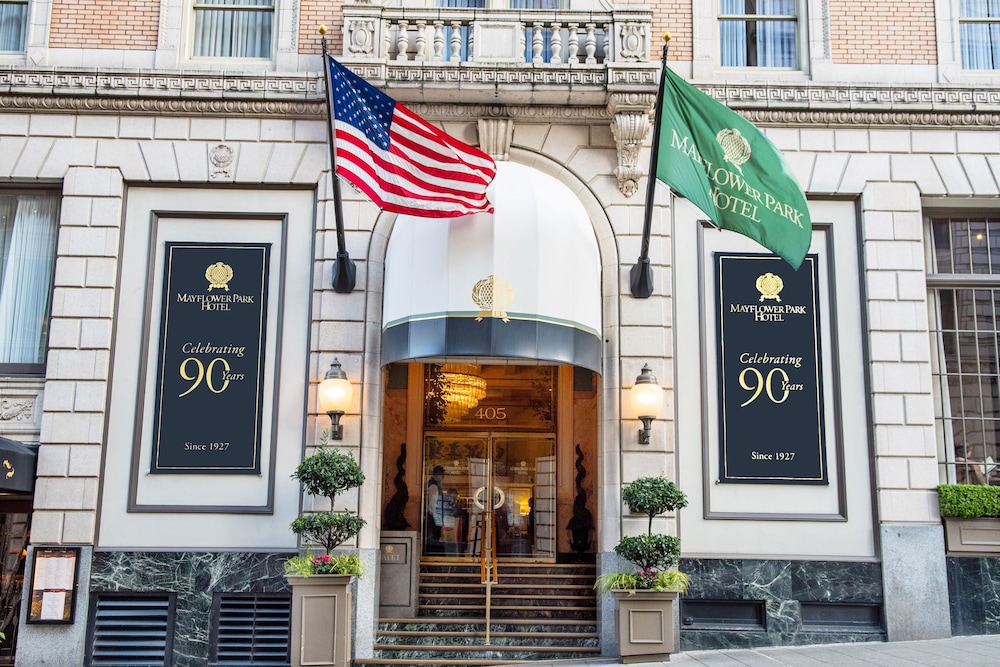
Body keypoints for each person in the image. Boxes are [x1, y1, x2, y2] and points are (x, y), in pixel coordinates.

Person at [424, 465, 445, 554]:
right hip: (433, 518)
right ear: (438, 475)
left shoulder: (432, 484)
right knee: (433, 540)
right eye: (442, 474)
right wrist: (437, 518)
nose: (443, 477)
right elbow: (432, 505)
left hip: (432, 517)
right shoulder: (434, 486)